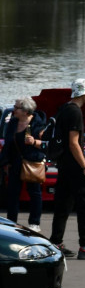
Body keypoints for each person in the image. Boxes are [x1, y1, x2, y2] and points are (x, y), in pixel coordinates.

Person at [49, 78, 85, 260]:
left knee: (63, 205)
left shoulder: (64, 109)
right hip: (75, 166)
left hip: (63, 164)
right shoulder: (75, 112)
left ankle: (56, 243)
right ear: (82, 93)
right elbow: (73, 143)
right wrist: (84, 166)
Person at [1, 98, 46, 231]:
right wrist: (5, 162)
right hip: (15, 163)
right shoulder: (13, 122)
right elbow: (8, 144)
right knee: (12, 194)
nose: (14, 110)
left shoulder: (38, 123)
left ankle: (34, 223)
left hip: (32, 162)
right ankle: (11, 223)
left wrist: (34, 142)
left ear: (26, 111)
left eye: (16, 108)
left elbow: (46, 145)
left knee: (35, 193)